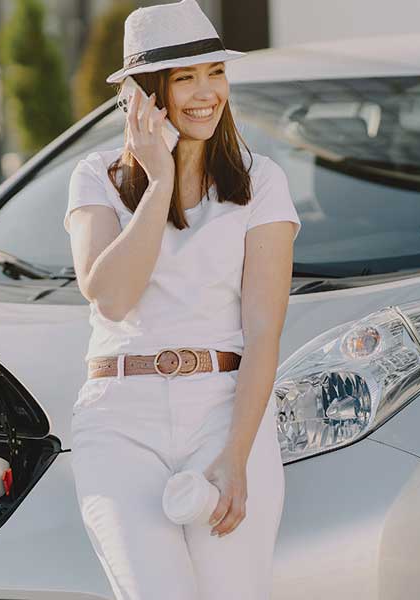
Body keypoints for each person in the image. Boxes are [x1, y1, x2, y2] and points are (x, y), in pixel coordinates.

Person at [63, 1, 301, 598]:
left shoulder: (261, 180)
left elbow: (263, 332)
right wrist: (160, 180)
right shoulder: (95, 178)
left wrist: (237, 455)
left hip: (223, 414)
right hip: (119, 419)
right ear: (144, 96)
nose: (205, 92)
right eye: (183, 77)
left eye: (214, 72)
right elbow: (111, 298)